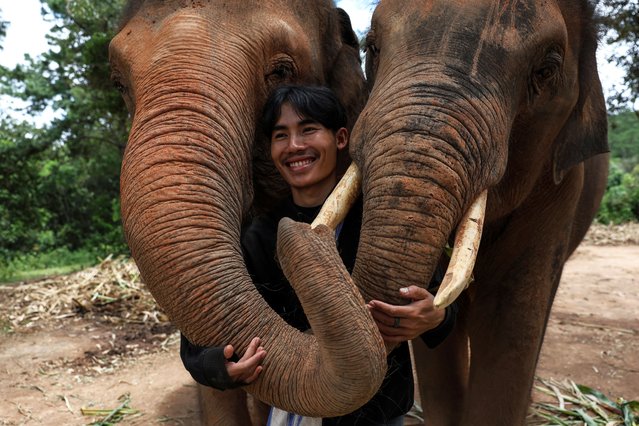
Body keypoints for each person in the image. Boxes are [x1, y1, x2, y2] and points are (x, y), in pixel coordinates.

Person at [180, 85, 458, 425]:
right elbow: (198, 339)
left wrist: (437, 317)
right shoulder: (258, 236)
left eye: (308, 129)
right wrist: (220, 367)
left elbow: (434, 304)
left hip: (377, 414)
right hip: (290, 409)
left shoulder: (381, 221)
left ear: (341, 138)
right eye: (281, 135)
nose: (295, 146)